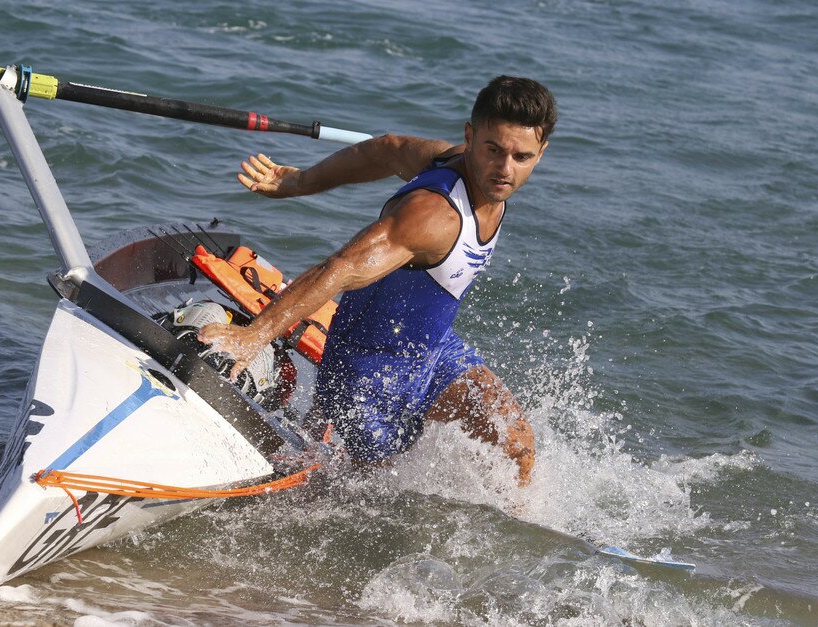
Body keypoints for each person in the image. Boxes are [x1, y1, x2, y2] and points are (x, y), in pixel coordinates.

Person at [200, 76, 556, 486]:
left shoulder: (466, 164)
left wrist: (302, 181)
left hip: (432, 349)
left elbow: (387, 149)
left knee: (518, 447)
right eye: (493, 150)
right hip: (364, 375)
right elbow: (339, 269)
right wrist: (254, 335)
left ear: (540, 153)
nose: (504, 169)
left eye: (521, 156)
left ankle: (526, 544)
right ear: (471, 136)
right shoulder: (431, 216)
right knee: (370, 494)